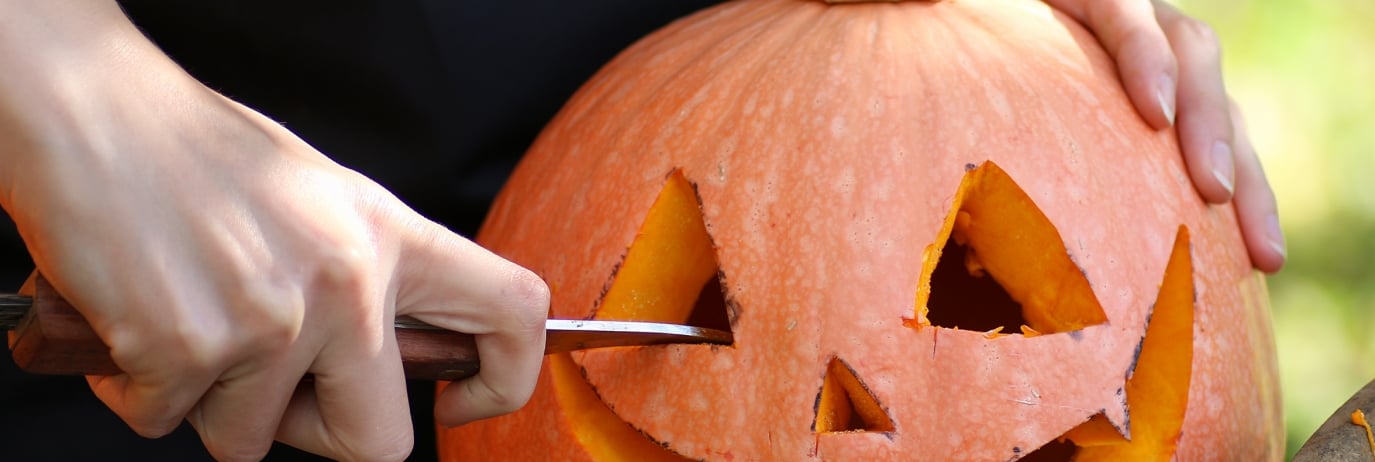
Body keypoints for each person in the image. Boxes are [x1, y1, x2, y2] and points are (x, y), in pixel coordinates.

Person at [0, 0, 1285, 460]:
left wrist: (1014, 78)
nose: (857, 411)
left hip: (714, 75)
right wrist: (56, 73)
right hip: (152, 246)